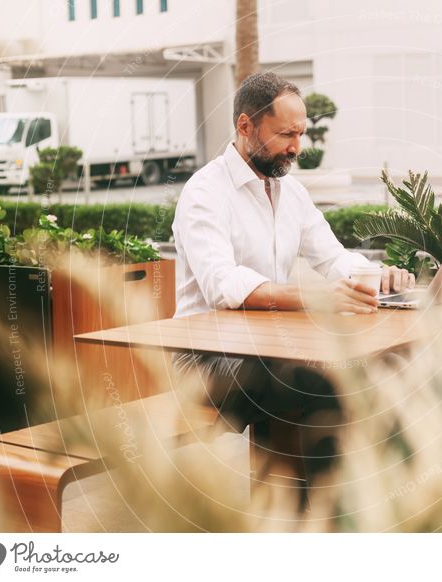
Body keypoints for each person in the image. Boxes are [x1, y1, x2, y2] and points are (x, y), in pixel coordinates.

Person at [171, 72, 415, 503]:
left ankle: (353, 509)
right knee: (322, 381)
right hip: (205, 358)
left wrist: (378, 277)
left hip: (268, 347)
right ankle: (313, 518)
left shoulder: (292, 192)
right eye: (285, 134)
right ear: (245, 126)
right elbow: (222, 286)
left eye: (300, 134)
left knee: (380, 367)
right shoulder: (205, 193)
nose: (296, 148)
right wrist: (316, 298)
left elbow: (333, 257)